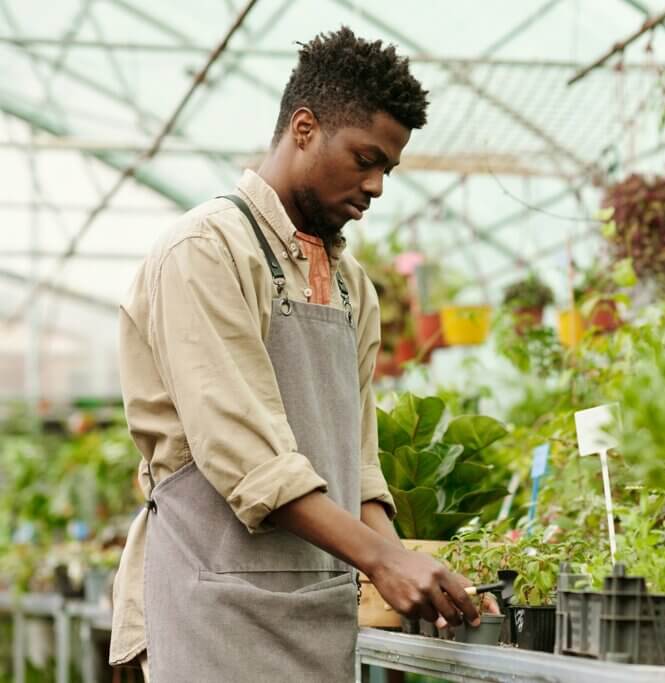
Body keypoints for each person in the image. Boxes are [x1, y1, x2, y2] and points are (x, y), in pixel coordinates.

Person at [109, 27, 482, 682]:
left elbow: (358, 464)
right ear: (304, 128)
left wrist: (403, 564)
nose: (376, 186)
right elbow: (246, 458)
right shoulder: (207, 250)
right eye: (365, 158)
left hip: (317, 612)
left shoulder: (351, 285)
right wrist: (384, 561)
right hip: (213, 607)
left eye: (388, 169)